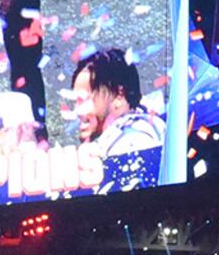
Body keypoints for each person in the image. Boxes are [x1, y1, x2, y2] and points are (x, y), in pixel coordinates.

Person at [67, 45, 166, 192]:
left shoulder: (133, 144)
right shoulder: (132, 135)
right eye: (75, 101)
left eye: (84, 100)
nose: (77, 111)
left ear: (118, 96)